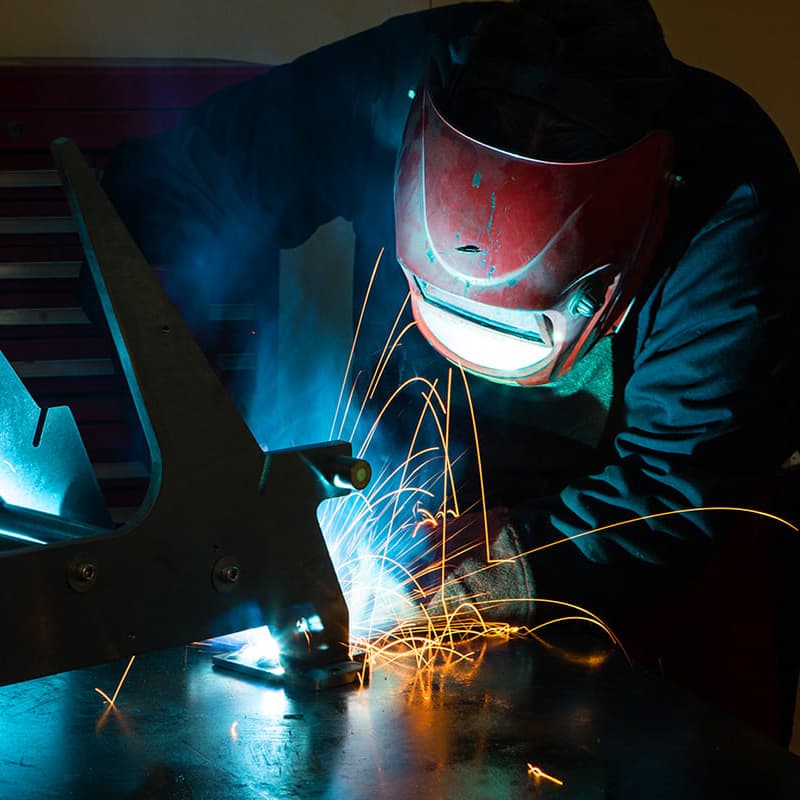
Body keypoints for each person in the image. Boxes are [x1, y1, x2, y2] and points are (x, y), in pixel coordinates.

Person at [103, 1, 800, 741]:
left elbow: (674, 490)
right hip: (414, 489)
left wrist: (489, 574)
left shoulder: (738, 219)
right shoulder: (388, 91)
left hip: (661, 553)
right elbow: (187, 185)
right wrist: (173, 375)